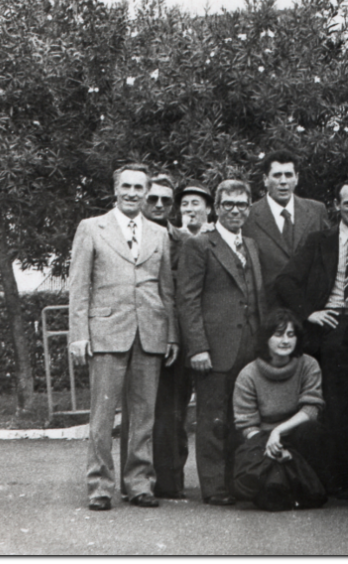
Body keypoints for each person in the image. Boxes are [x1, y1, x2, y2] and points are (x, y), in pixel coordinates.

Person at [68, 163, 178, 511]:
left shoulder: (159, 234)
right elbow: (79, 286)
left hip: (150, 332)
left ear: (146, 192)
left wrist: (171, 335)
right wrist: (78, 335)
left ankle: (139, 484)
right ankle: (100, 487)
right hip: (106, 332)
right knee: (102, 416)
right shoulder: (92, 228)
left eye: (138, 187)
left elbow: (166, 290)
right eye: (126, 186)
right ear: (115, 190)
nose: (132, 193)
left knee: (144, 415)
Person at [273, 180, 348, 498]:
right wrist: (310, 313)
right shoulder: (320, 241)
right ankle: (342, 479)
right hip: (333, 323)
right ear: (337, 206)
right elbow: (286, 281)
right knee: (336, 403)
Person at [178, 179, 269, 506]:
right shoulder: (200, 245)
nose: (235, 210)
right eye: (228, 204)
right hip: (214, 349)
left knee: (242, 417)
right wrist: (198, 347)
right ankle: (215, 487)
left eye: (241, 204)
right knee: (213, 419)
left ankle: (239, 481)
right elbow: (188, 299)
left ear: (249, 208)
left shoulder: (252, 245)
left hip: (250, 346)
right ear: (217, 208)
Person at [121, 173, 192, 500]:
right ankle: (135, 482)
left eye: (166, 200)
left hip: (176, 334)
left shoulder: (184, 240)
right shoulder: (129, 236)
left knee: (173, 410)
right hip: (138, 332)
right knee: (139, 410)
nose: (160, 204)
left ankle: (169, 481)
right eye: (154, 198)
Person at [232, 309, 329, 511]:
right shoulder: (248, 374)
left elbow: (311, 410)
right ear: (266, 338)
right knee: (272, 499)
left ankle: (303, 486)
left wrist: (278, 432)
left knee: (312, 430)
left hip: (296, 435)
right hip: (262, 441)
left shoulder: (308, 364)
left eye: (290, 334)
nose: (285, 340)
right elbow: (247, 425)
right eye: (278, 334)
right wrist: (273, 447)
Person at [242, 150, 330, 302]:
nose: (283, 181)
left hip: (310, 306)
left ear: (297, 178)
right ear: (265, 179)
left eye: (288, 175)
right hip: (268, 307)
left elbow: (329, 258)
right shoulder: (248, 216)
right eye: (277, 175)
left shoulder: (316, 211)